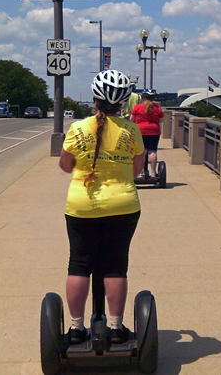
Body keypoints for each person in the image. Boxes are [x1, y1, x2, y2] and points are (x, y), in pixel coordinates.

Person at [59, 69, 145, 346]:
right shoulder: (132, 130)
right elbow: (137, 170)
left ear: (95, 98)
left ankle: (75, 329)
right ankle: (116, 328)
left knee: (79, 264)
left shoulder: (77, 128)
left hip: (81, 206)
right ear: (123, 102)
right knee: (115, 265)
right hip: (123, 205)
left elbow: (64, 166)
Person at [130, 89, 164, 178]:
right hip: (154, 131)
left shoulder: (137, 107)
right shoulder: (157, 108)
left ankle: (141, 172)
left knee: (142, 152)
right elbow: (161, 120)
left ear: (143, 97)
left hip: (140, 131)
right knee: (152, 152)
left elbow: (131, 120)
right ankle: (153, 172)